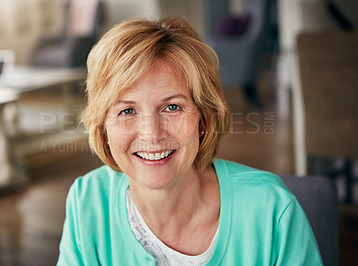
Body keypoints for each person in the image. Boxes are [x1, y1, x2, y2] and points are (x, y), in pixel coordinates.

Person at [57, 17, 323, 265]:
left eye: (172, 107)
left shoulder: (272, 211)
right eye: (127, 111)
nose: (152, 134)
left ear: (204, 118)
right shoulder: (86, 201)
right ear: (103, 128)